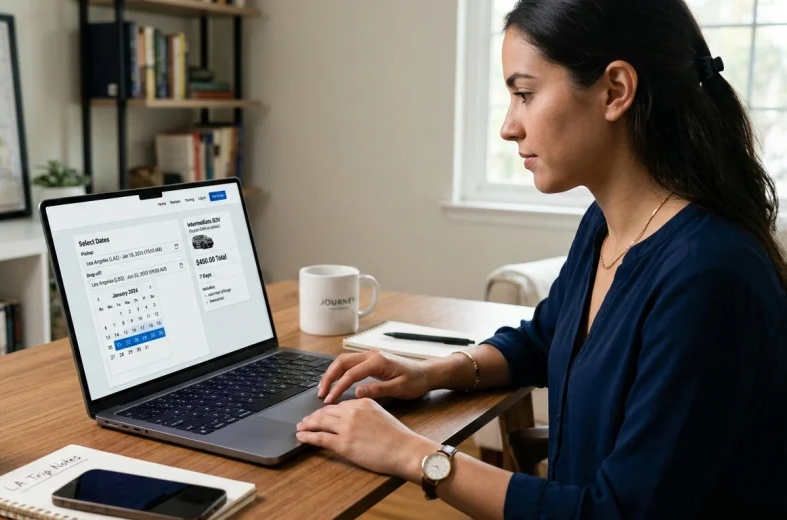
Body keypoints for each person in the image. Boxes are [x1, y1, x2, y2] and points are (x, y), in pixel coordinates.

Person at [297, 0, 787, 518]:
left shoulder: (709, 277)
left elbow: (617, 513)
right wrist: (429, 373)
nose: (509, 126)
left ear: (615, 90)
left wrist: (414, 455)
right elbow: (544, 339)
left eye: (525, 94)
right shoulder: (606, 225)